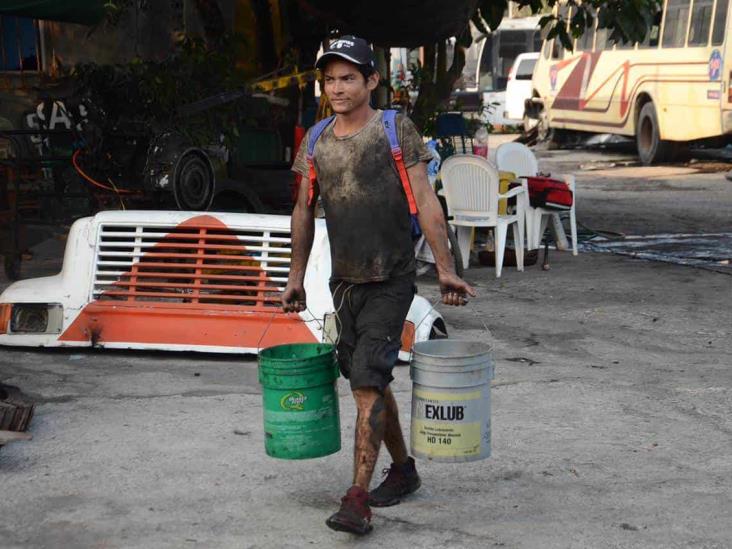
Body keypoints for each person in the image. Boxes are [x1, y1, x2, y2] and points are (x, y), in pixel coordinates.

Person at [283, 35, 476, 536]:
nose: (337, 88)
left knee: (367, 384)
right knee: (367, 380)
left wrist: (445, 267)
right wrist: (295, 278)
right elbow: (303, 209)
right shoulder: (317, 139)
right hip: (343, 282)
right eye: (329, 79)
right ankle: (405, 470)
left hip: (390, 278)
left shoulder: (394, 129)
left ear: (372, 80)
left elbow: (426, 200)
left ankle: (356, 499)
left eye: (348, 77)